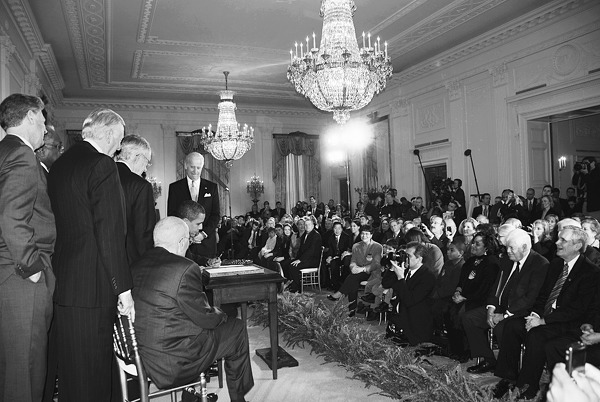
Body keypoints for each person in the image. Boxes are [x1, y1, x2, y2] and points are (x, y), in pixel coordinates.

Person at [47, 108, 134, 401]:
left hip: (64, 284)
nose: (119, 146)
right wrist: (124, 290)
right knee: (94, 376)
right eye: (120, 139)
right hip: (93, 288)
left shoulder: (59, 165)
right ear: (108, 133)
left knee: (73, 373)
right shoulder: (102, 165)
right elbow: (110, 234)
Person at [131, 217, 253, 402]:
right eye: (188, 239)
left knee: (193, 327)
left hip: (139, 354)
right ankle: (239, 399)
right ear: (181, 242)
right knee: (236, 328)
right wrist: (220, 313)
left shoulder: (136, 265)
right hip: (172, 362)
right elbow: (206, 317)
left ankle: (190, 397)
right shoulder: (185, 267)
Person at [492, 226, 600, 400]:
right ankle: (508, 378)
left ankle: (527, 387)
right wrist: (535, 315)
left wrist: (543, 321)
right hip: (544, 317)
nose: (557, 242)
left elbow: (577, 310)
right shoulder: (556, 264)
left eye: (563, 240)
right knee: (512, 325)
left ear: (578, 245)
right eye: (558, 238)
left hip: (567, 323)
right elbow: (543, 295)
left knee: (536, 335)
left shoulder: (590, 272)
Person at [0, 93, 56, 402]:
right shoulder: (22, 154)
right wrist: (33, 269)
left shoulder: (3, 151)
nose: (46, 129)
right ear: (31, 117)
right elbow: (11, 215)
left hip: (7, 274)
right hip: (21, 276)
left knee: (11, 370)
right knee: (27, 372)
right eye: (44, 121)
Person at [462, 229, 549, 374]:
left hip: (521, 312)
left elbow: (530, 298)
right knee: (469, 318)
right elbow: (496, 288)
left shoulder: (540, 264)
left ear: (525, 247)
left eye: (511, 248)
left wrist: (505, 315)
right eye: (507, 247)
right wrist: (491, 309)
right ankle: (488, 359)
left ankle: (509, 372)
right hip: (500, 308)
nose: (507, 251)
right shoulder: (507, 261)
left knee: (502, 328)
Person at [167, 152, 220, 259]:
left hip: (207, 243)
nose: (195, 171)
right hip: (184, 243)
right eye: (192, 167)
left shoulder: (212, 187)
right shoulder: (175, 187)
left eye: (198, 168)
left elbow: (215, 215)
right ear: (186, 165)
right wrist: (187, 235)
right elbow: (172, 215)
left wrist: (203, 234)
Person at [383, 241, 437, 345]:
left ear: (419, 258)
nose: (405, 258)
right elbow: (385, 283)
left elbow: (409, 300)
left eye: (408, 256)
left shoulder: (427, 276)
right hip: (399, 319)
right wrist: (392, 268)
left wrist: (401, 278)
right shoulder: (405, 270)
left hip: (414, 324)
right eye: (404, 255)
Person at [115, 134, 156, 265]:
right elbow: (144, 234)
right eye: (147, 162)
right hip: (130, 262)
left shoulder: (100, 177)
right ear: (137, 157)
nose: (145, 169)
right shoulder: (140, 186)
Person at [327, 225, 383, 315]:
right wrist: (353, 267)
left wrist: (362, 269)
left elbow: (376, 264)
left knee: (352, 278)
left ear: (371, 235)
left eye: (367, 234)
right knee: (353, 280)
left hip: (372, 272)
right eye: (362, 234)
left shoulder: (377, 246)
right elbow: (353, 261)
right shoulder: (356, 246)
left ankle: (341, 295)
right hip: (358, 272)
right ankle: (351, 310)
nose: (364, 236)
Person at [281, 216, 322, 293]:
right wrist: (296, 259)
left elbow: (311, 251)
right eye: (305, 225)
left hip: (312, 260)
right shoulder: (304, 235)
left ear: (313, 225)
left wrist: (300, 260)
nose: (306, 227)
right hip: (304, 259)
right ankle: (291, 284)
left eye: (309, 225)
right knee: (286, 264)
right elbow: (301, 250)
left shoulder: (316, 235)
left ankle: (296, 289)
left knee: (293, 266)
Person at [325, 221, 352, 291]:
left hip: (344, 256)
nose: (337, 230)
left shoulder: (346, 237)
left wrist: (341, 255)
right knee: (333, 264)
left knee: (346, 262)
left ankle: (343, 283)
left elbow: (348, 248)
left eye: (339, 228)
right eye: (335, 228)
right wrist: (329, 256)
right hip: (335, 257)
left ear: (342, 229)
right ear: (333, 229)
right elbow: (330, 250)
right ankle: (336, 286)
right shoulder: (331, 237)